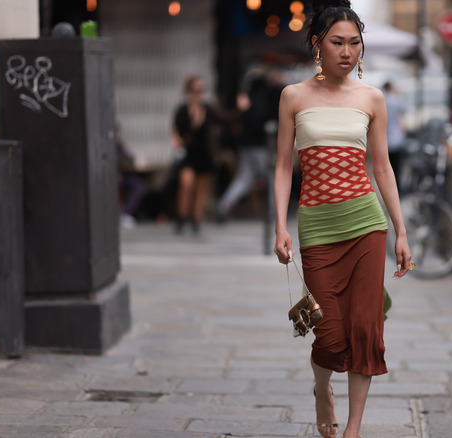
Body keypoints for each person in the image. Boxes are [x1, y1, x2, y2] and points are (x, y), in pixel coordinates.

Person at [272, 1, 413, 437]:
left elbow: (382, 167)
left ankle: (353, 428)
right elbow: (281, 167)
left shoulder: (372, 98)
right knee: (328, 335)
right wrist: (280, 225)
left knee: (365, 328)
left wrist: (401, 231)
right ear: (318, 45)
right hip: (316, 225)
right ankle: (321, 391)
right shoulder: (292, 96)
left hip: (367, 224)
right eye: (337, 42)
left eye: (355, 43)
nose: (347, 52)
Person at [171, 75, 247, 234]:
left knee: (200, 190)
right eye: (196, 90)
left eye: (202, 90)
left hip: (205, 155)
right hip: (188, 154)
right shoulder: (182, 110)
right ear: (189, 91)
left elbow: (227, 119)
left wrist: (241, 109)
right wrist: (176, 141)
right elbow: (176, 130)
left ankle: (196, 220)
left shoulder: (208, 108)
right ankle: (181, 217)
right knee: (186, 183)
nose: (199, 94)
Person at [216, 73, 281, 222]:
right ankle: (274, 211)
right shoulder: (262, 101)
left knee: (244, 178)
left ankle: (224, 204)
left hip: (245, 147)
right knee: (273, 177)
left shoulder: (246, 100)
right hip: (260, 147)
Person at [381, 82, 408, 185]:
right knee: (397, 167)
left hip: (384, 140)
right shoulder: (396, 99)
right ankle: (397, 188)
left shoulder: (382, 100)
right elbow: (403, 120)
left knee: (385, 168)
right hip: (397, 139)